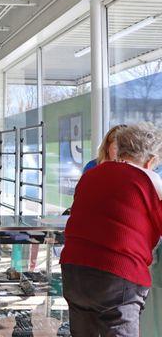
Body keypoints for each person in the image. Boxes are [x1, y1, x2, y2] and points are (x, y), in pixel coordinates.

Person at [60, 122, 162, 336]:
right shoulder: (148, 179)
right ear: (151, 160)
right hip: (117, 275)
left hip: (74, 272)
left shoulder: (91, 174)